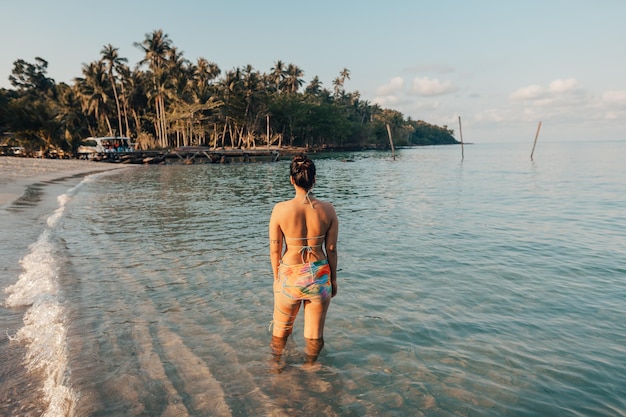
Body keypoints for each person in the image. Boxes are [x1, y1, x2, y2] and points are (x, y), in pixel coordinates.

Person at [269, 154, 338, 369]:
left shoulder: (280, 209)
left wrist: (276, 279)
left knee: (280, 331)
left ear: (291, 180)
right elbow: (332, 249)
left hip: (290, 274)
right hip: (319, 275)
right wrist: (333, 279)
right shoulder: (328, 209)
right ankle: (310, 369)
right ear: (314, 179)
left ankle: (277, 366)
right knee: (314, 335)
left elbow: (275, 249)